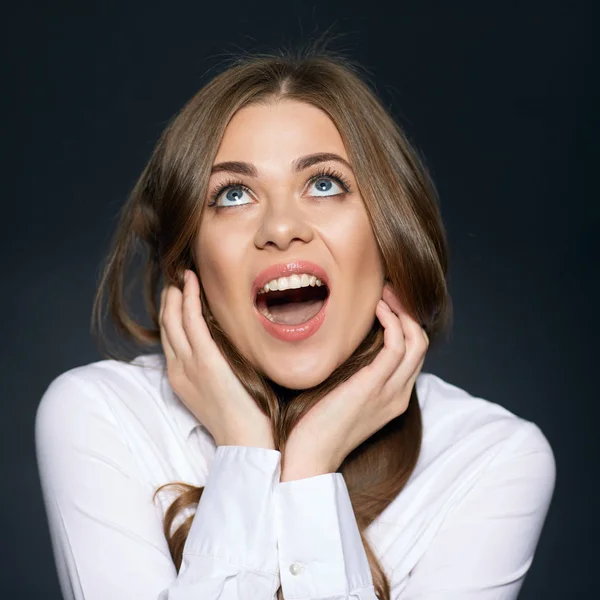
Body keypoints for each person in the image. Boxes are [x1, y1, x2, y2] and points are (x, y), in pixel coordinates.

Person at [34, 46, 556, 600]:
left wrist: (308, 466)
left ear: (389, 232)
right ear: (190, 263)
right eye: (233, 195)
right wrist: (245, 447)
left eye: (325, 184)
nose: (281, 227)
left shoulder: (490, 460)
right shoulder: (103, 416)